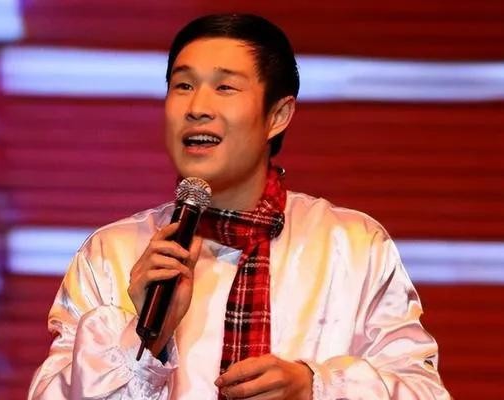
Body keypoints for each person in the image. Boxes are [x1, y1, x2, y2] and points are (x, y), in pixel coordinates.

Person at [28, 13, 451, 400]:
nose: (197, 108)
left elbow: (423, 391)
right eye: (183, 86)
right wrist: (145, 339)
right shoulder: (111, 254)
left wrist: (315, 388)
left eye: (225, 87)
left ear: (278, 115)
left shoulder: (352, 244)